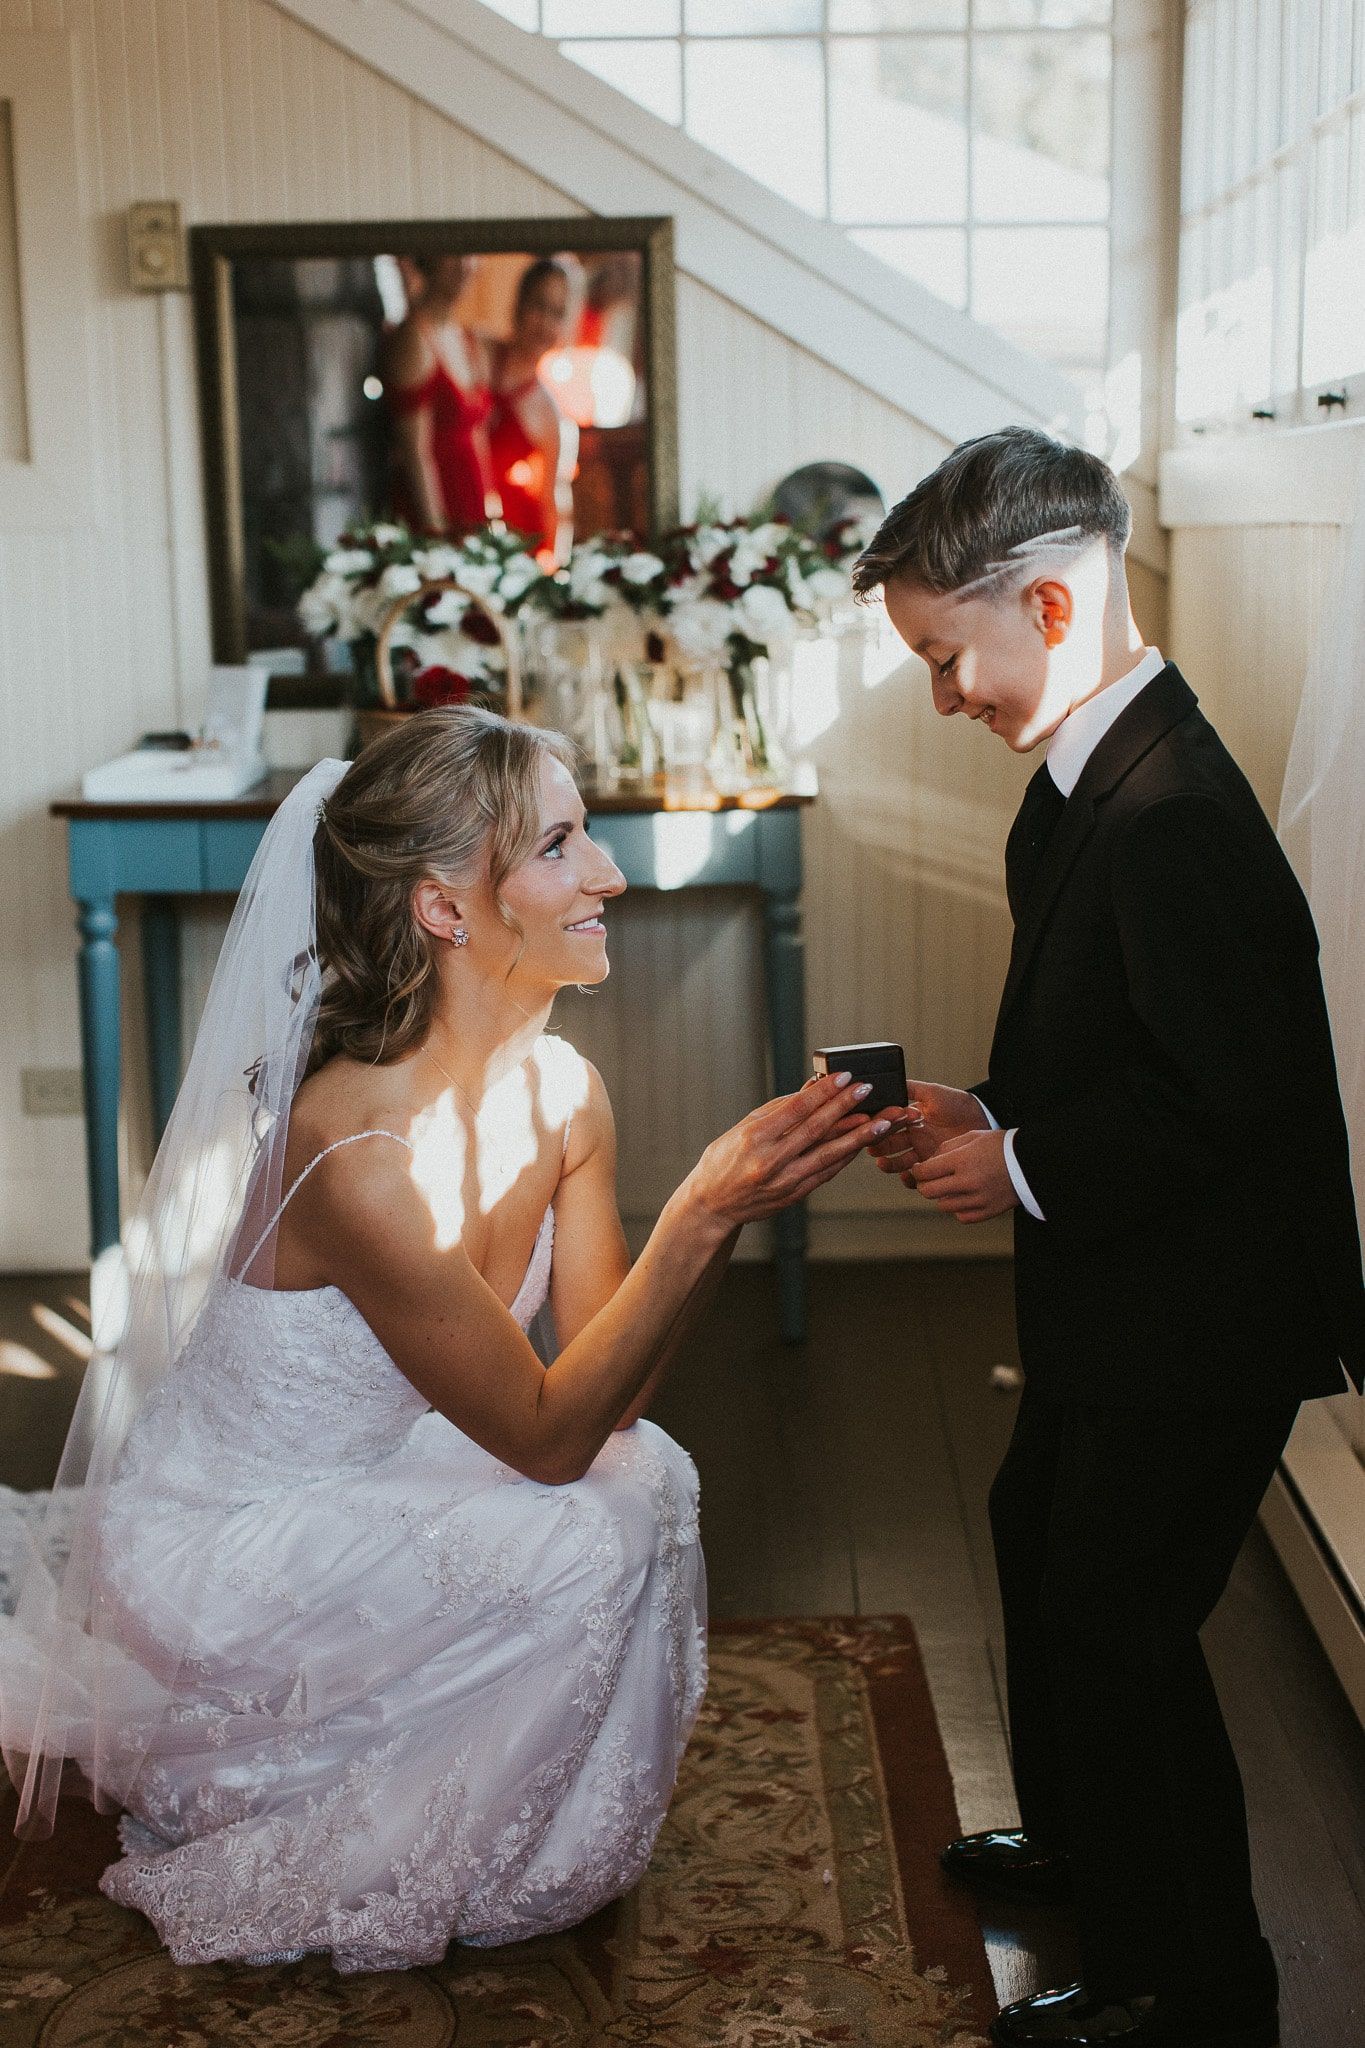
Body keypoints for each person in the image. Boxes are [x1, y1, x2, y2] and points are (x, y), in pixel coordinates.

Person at [0, 708, 889, 1972]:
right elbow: (542, 1439)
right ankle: (388, 1826)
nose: (612, 875)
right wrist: (703, 1207)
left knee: (653, 1478)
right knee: (588, 1522)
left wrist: (725, 1211)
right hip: (231, 1537)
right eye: (562, 846)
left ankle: (529, 1829)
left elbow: (608, 1398)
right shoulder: (357, 1153)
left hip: (386, 1470)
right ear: (446, 909)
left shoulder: (563, 1090)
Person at [853, 428, 1365, 2048]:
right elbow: (1108, 1047)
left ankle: (1199, 1985)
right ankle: (1086, 1844)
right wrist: (986, 1110)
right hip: (1121, 1275)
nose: (944, 696)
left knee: (1122, 1620)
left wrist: (1019, 1162)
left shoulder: (1175, 819)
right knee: (1029, 1524)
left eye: (950, 657)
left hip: (1212, 1304)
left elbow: (1225, 1102)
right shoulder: (1079, 785)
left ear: (1057, 604)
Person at [385, 254, 494, 534]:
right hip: (437, 512)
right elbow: (416, 454)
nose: (463, 265)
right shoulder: (415, 337)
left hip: (473, 505)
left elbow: (478, 438)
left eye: (469, 255)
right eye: (453, 255)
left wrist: (491, 508)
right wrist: (436, 535)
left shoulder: (467, 338)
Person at [487, 258, 575, 558]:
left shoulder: (549, 411)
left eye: (557, 313)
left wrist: (554, 564)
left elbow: (550, 499)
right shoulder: (480, 355)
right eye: (539, 306)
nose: (546, 323)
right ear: (519, 306)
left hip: (512, 543)